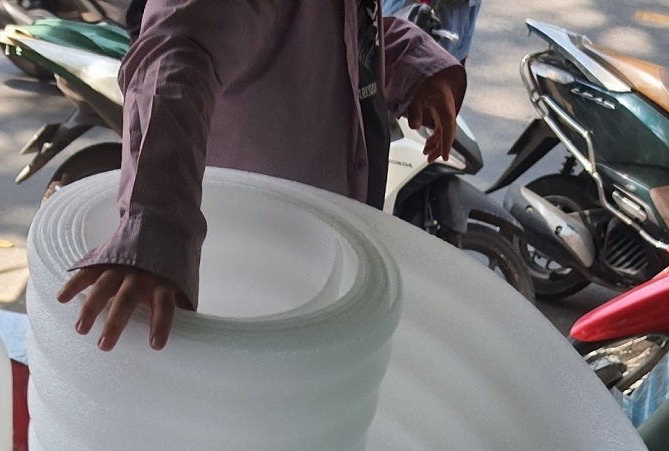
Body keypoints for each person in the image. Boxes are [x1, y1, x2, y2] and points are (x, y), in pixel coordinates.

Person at [57, 0, 466, 350]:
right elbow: (179, 47)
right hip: (251, 272)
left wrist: (412, 61)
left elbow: (327, 33)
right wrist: (152, 229)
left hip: (316, 261)